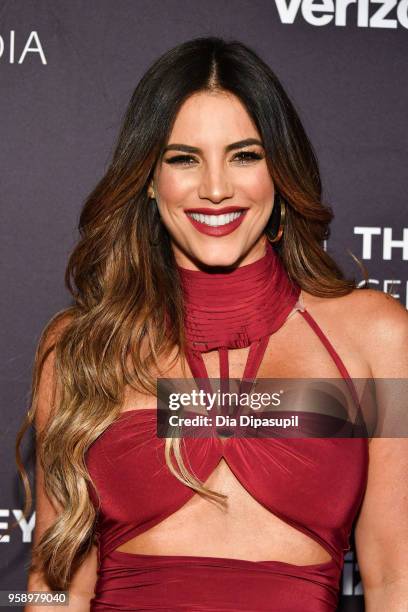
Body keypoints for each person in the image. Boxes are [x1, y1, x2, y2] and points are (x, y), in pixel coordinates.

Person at [19, 36, 408, 611]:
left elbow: (394, 581)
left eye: (244, 155)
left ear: (280, 173)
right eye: (184, 158)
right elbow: (53, 587)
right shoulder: (81, 347)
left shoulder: (373, 337)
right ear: (149, 180)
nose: (217, 188)